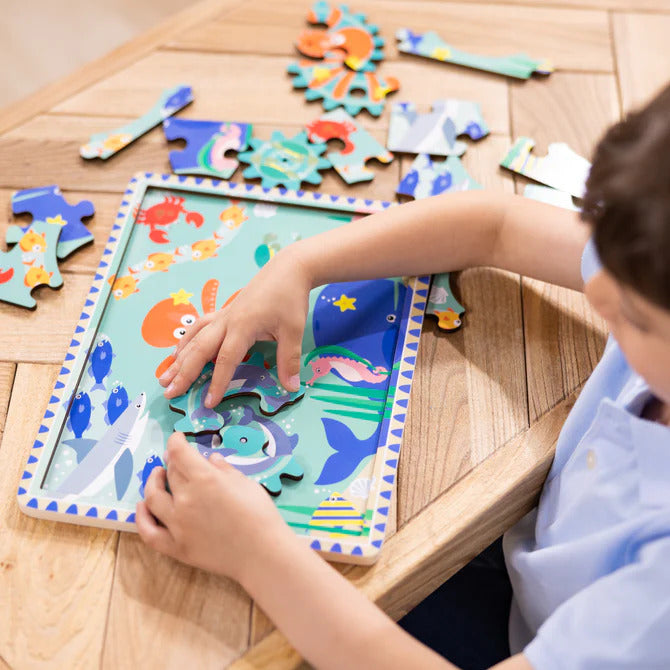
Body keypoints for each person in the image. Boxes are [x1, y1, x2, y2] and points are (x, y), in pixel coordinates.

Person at [135, 83, 670, 669]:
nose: (595, 286)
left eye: (634, 315)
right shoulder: (648, 260)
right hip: (535, 580)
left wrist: (256, 553)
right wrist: (301, 264)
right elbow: (494, 225)